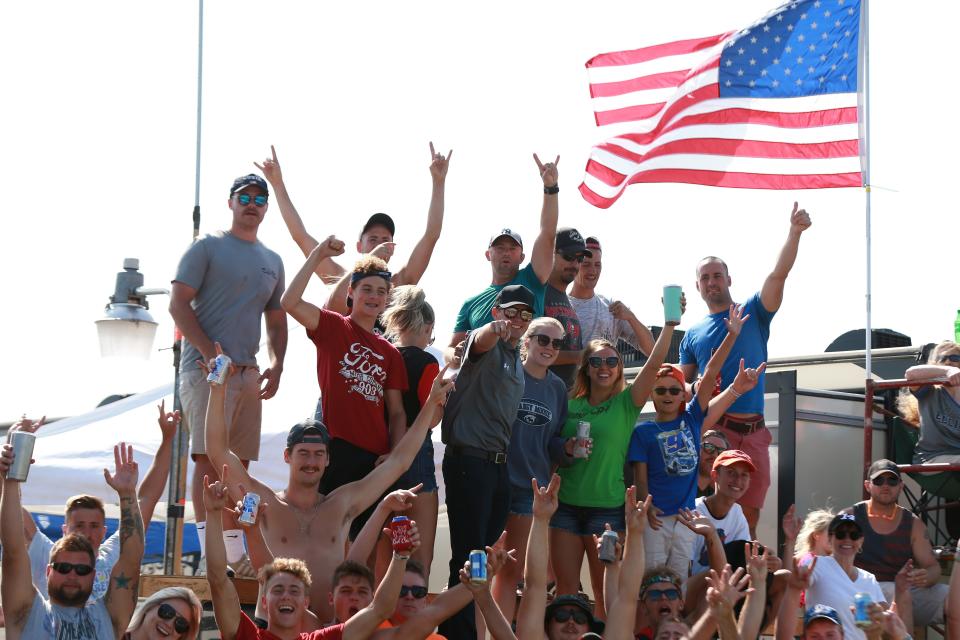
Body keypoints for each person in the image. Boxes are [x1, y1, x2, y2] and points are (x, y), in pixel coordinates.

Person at [202, 345, 453, 622]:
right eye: (304, 454)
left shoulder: (342, 503)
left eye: (318, 454)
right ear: (287, 456)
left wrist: (430, 405)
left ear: (328, 460)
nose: (311, 462)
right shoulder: (268, 503)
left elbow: (399, 463)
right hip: (275, 630)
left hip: (329, 630)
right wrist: (217, 389)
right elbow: (218, 452)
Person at [169, 172, 287, 565]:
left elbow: (276, 319)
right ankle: (210, 554)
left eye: (259, 198)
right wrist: (208, 351)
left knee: (239, 464)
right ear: (231, 202)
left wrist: (277, 363)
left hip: (248, 372)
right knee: (207, 458)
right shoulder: (207, 246)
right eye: (244, 196)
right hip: (206, 371)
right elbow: (177, 305)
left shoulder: (273, 260)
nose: (251, 203)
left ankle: (235, 556)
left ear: (266, 207)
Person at [679, 202, 812, 534]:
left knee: (748, 518)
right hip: (715, 432)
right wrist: (693, 388)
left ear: (728, 279)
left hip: (754, 434)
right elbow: (682, 385)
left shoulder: (754, 311)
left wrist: (794, 233)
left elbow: (777, 275)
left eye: (717, 276)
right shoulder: (692, 334)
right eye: (705, 278)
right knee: (703, 513)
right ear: (697, 286)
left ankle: (737, 577)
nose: (712, 282)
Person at [550, 295, 680, 616]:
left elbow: (655, 361)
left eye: (611, 362)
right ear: (587, 369)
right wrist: (565, 448)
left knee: (605, 592)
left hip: (605, 512)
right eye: (596, 362)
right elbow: (550, 445)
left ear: (619, 368)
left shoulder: (627, 403)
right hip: (565, 507)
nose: (604, 367)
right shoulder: (570, 402)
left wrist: (668, 323)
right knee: (566, 593)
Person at [281, 238, 409, 539]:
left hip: (372, 458)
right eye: (366, 289)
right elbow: (289, 303)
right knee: (327, 536)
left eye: (381, 291)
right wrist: (317, 255)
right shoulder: (332, 326)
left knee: (364, 541)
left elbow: (398, 412)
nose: (374, 297)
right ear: (351, 292)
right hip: (335, 450)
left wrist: (393, 454)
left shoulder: (390, 353)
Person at [630, 304, 763, 577]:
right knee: (652, 580)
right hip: (656, 520)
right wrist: (646, 503)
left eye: (675, 389)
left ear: (683, 395)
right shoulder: (643, 433)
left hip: (686, 520)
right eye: (661, 390)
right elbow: (640, 479)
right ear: (651, 395)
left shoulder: (691, 420)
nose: (668, 394)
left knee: (678, 581)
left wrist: (732, 335)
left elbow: (711, 371)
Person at [438, 284, 534, 639]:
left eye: (526, 314)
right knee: (468, 555)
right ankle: (457, 635)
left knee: (483, 555)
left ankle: (463, 630)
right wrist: (493, 328)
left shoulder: (515, 357)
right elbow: (478, 341)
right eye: (511, 312)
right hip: (470, 461)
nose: (517, 320)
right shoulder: (487, 345)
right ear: (496, 311)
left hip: (497, 466)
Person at [202, 475, 407, 640]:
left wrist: (400, 556)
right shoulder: (248, 636)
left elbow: (380, 609)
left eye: (294, 590)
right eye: (278, 589)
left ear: (306, 602)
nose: (286, 596)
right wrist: (213, 513)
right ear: (264, 601)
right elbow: (218, 580)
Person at [21, 404, 177, 599]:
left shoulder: (112, 556)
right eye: (79, 525)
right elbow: (11, 510)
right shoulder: (47, 555)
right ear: (64, 530)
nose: (87, 532)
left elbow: (146, 500)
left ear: (104, 531)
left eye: (94, 526)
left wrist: (167, 440)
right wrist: (17, 446)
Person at [259, 143, 450, 293]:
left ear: (393, 246)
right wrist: (277, 184)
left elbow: (431, 235)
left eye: (385, 240)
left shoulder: (399, 284)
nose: (379, 245)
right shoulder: (341, 279)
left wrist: (438, 182)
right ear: (360, 246)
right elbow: (300, 236)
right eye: (372, 240)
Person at [1, 442, 144, 639]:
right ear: (49, 570)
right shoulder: (26, 611)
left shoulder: (109, 617)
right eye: (64, 567)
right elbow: (13, 550)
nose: (72, 575)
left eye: (82, 570)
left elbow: (131, 559)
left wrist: (128, 494)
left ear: (93, 576)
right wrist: (10, 481)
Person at [492, 317, 572, 623]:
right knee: (484, 564)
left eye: (557, 343)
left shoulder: (557, 388)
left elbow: (552, 440)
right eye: (543, 339)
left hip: (530, 488)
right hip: (494, 479)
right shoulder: (506, 373)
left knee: (512, 570)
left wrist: (565, 449)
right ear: (527, 341)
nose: (549, 347)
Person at [444, 153, 559, 362]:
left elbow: (548, 234)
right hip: (481, 386)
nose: (506, 252)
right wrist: (454, 356)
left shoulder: (532, 279)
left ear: (523, 256)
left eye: (512, 248)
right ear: (488, 254)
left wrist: (550, 189)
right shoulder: (471, 303)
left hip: (523, 381)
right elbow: (451, 348)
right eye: (500, 247)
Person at [380, 285, 442, 574]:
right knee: (418, 556)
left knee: (383, 549)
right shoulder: (427, 362)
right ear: (428, 327)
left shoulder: (382, 355)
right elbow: (431, 419)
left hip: (380, 452)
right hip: (416, 452)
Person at [843, 459, 946, 628]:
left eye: (892, 480)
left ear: (901, 486)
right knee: (895, 591)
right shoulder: (849, 517)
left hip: (904, 590)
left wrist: (925, 577)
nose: (886, 485)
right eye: (878, 480)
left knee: (954, 597)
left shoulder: (914, 524)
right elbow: (831, 559)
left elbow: (933, 567)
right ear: (868, 486)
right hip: (859, 593)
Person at [794, 514, 901, 640]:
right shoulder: (816, 564)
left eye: (854, 535)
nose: (847, 539)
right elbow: (795, 583)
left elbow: (884, 621)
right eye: (840, 534)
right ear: (830, 538)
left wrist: (901, 591)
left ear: (861, 541)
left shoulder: (869, 578)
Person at [566, 236, 655, 356]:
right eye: (586, 264)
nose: (593, 271)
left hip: (606, 374)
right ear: (575, 265)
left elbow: (651, 350)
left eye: (597, 265)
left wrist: (631, 318)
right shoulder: (561, 306)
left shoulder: (611, 307)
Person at [690, 451, 756, 576]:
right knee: (717, 574)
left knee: (781, 576)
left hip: (724, 586)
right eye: (731, 473)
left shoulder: (737, 513)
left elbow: (743, 562)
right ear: (715, 476)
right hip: (693, 588)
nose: (738, 480)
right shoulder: (694, 511)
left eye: (744, 475)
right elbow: (682, 569)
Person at [542, 227, 591, 387]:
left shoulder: (567, 300)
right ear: (550, 253)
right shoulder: (536, 293)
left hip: (564, 400)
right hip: (538, 398)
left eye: (580, 259)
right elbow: (528, 351)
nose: (575, 264)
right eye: (569, 256)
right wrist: (579, 356)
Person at [899, 340, 960, 464]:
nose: (948, 362)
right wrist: (947, 371)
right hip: (930, 458)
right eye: (942, 358)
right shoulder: (928, 391)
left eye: (954, 357)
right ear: (934, 364)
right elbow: (910, 374)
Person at [123, 586, 202, 640]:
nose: (169, 624)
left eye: (181, 624)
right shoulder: (112, 634)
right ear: (149, 607)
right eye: (166, 612)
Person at [696, 430, 729, 498]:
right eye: (709, 447)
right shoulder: (675, 484)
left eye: (721, 452)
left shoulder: (715, 500)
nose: (715, 455)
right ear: (697, 449)